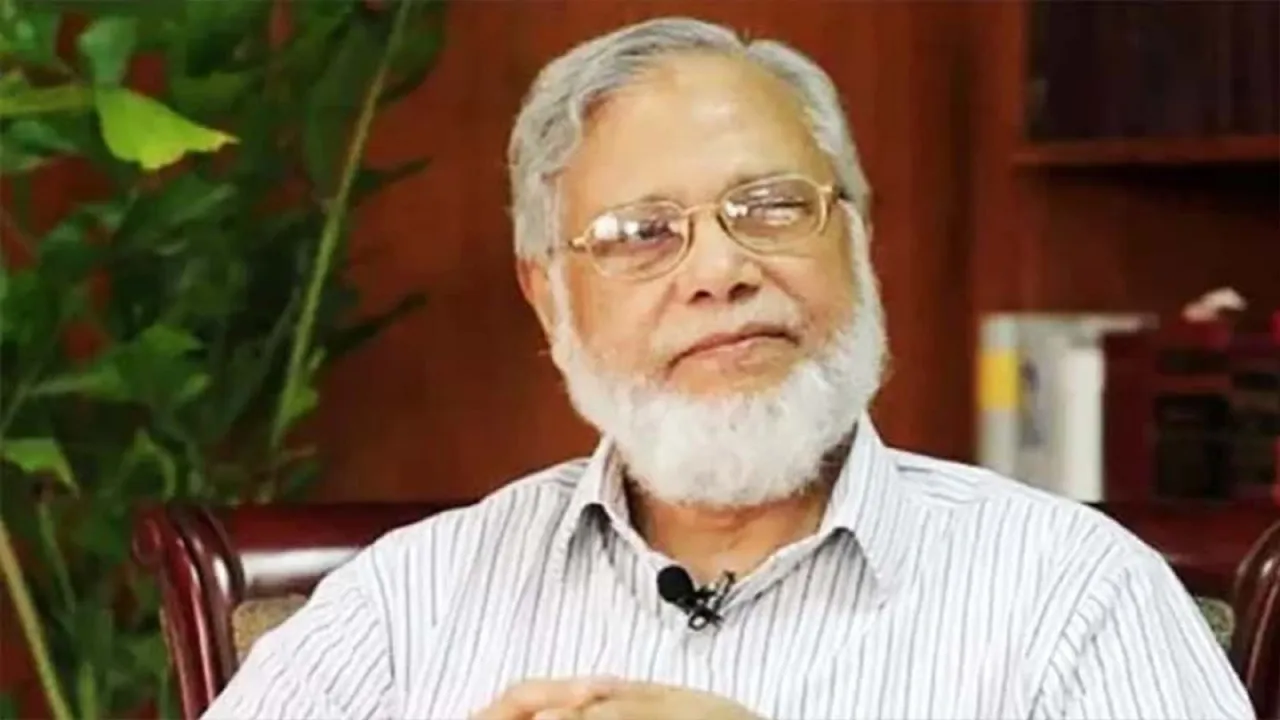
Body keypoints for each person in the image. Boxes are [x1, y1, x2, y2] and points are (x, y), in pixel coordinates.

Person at [204, 17, 1253, 720]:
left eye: (771, 207)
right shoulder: (407, 605)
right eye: (641, 234)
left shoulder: (1071, 593)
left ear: (857, 239)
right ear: (548, 294)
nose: (719, 271)